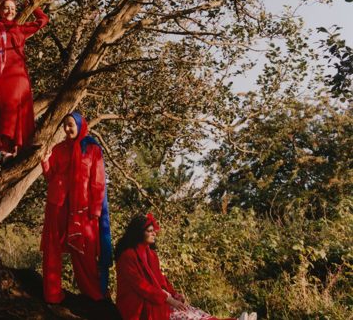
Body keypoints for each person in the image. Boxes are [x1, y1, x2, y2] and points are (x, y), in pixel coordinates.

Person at [114, 213, 256, 320]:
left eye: (154, 230)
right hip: (138, 304)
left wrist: (174, 294)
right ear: (139, 233)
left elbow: (160, 280)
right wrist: (168, 299)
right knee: (185, 316)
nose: (154, 233)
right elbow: (141, 286)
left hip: (157, 298)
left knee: (192, 311)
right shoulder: (128, 255)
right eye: (149, 230)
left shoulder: (151, 254)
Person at [41, 112, 113, 303]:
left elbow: (98, 182)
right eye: (65, 125)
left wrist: (96, 210)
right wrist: (45, 162)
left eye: (71, 125)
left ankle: (94, 293)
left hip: (83, 209)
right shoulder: (59, 149)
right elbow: (50, 177)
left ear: (81, 125)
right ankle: (53, 294)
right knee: (52, 247)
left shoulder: (92, 149)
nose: (67, 129)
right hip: (57, 205)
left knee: (85, 250)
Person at [0, 0, 49, 173]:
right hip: (0, 77)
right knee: (1, 110)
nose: (10, 11)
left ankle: (10, 151)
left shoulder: (20, 29)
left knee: (14, 112)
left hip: (19, 78)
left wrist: (33, 5)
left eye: (13, 8)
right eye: (6, 8)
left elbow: (43, 20)